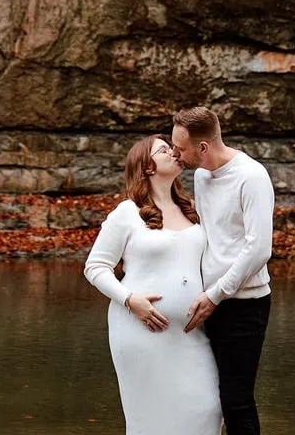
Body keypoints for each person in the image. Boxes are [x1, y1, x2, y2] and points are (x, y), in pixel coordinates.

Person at [83, 134, 223, 435]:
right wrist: (130, 299)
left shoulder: (194, 209)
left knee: (209, 408)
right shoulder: (127, 213)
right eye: (164, 149)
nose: (174, 152)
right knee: (151, 420)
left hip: (191, 333)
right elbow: (95, 267)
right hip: (141, 331)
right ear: (147, 167)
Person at [170, 106, 274, 435]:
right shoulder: (202, 176)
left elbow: (259, 249)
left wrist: (216, 294)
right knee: (205, 397)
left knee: (236, 400)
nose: (175, 153)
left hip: (244, 304)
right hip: (207, 301)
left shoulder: (252, 177)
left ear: (202, 147)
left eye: (180, 147)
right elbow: (207, 236)